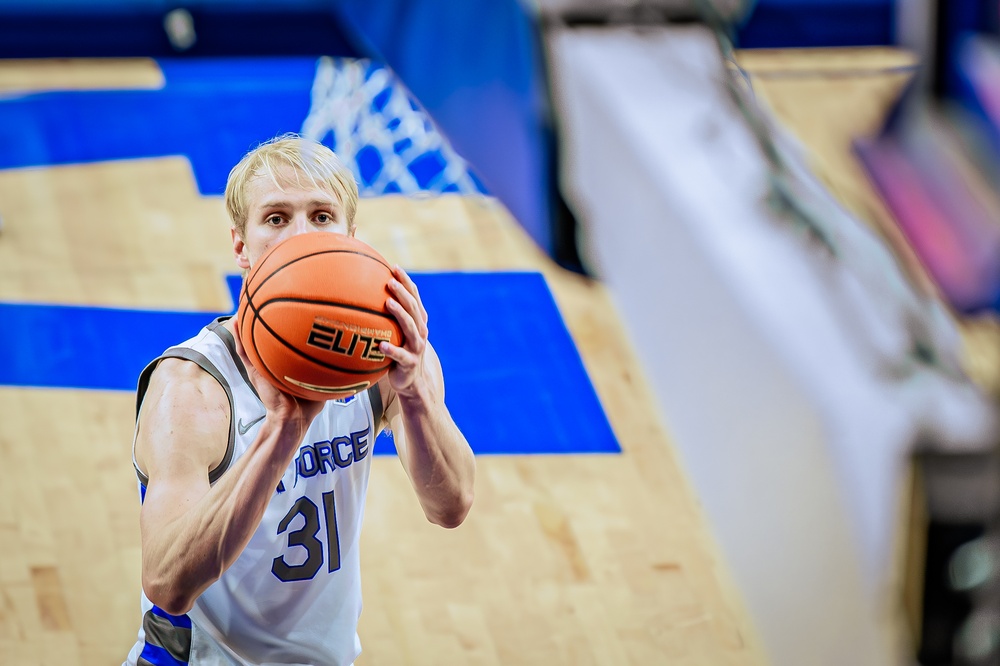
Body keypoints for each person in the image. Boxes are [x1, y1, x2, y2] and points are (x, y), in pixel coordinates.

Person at [124, 135, 476, 666]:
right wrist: (282, 432)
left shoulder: (388, 358)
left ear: (351, 238)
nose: (301, 237)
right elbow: (168, 582)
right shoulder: (192, 390)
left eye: (321, 216)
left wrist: (417, 399)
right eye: (275, 218)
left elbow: (450, 507)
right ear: (241, 247)